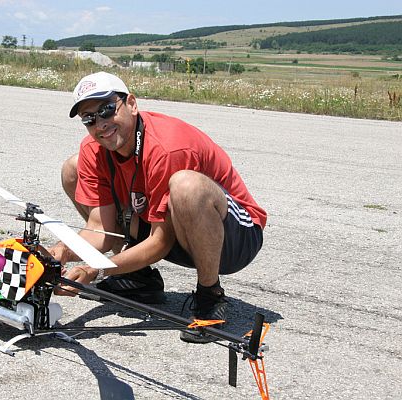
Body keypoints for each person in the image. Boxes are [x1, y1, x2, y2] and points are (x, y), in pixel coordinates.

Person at [48, 71, 266, 343]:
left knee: (187, 186)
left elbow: (160, 242)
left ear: (131, 104)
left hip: (234, 237)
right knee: (73, 168)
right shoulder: (94, 149)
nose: (100, 124)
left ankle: (210, 295)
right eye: (89, 118)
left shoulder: (168, 148)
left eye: (106, 110)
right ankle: (137, 278)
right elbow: (100, 229)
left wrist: (97, 270)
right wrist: (59, 253)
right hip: (169, 224)